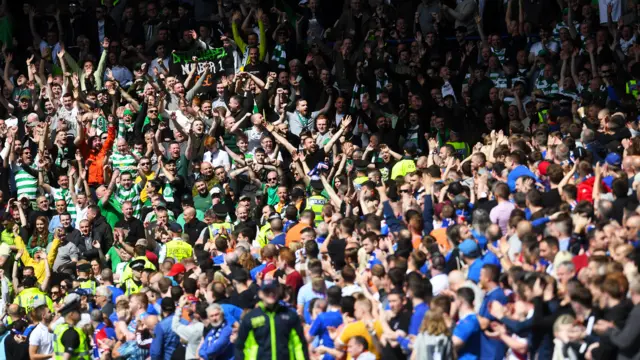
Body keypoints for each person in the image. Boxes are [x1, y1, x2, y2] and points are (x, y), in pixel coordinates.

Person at [235, 282, 308, 360]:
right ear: (260, 294)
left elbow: (299, 345)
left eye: (273, 291)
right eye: (267, 291)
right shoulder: (250, 318)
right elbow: (241, 347)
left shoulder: (290, 315)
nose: (271, 294)